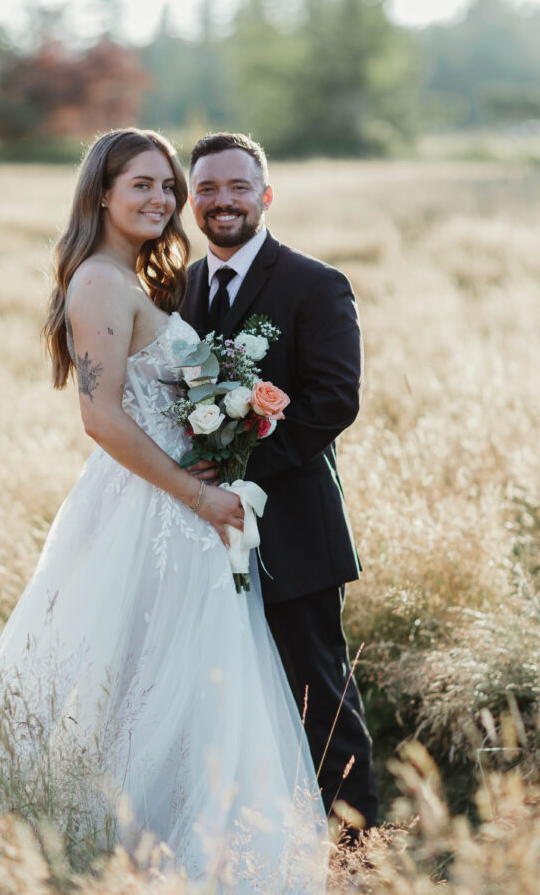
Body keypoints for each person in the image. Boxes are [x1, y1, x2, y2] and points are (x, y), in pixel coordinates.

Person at [0, 129, 326, 890]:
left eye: (166, 188)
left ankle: (149, 845)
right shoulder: (98, 282)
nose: (161, 199)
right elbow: (100, 418)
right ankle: (73, 839)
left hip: (175, 507)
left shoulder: (134, 280)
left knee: (162, 675)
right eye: (142, 186)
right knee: (111, 672)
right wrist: (199, 493)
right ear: (101, 195)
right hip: (151, 511)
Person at [181, 132, 378, 834]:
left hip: (291, 524)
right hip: (203, 526)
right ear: (191, 201)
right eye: (206, 189)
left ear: (264, 196)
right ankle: (259, 834)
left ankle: (356, 846)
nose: (222, 201)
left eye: (237, 187)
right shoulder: (182, 286)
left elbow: (334, 399)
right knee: (225, 686)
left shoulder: (312, 283)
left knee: (315, 688)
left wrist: (239, 469)